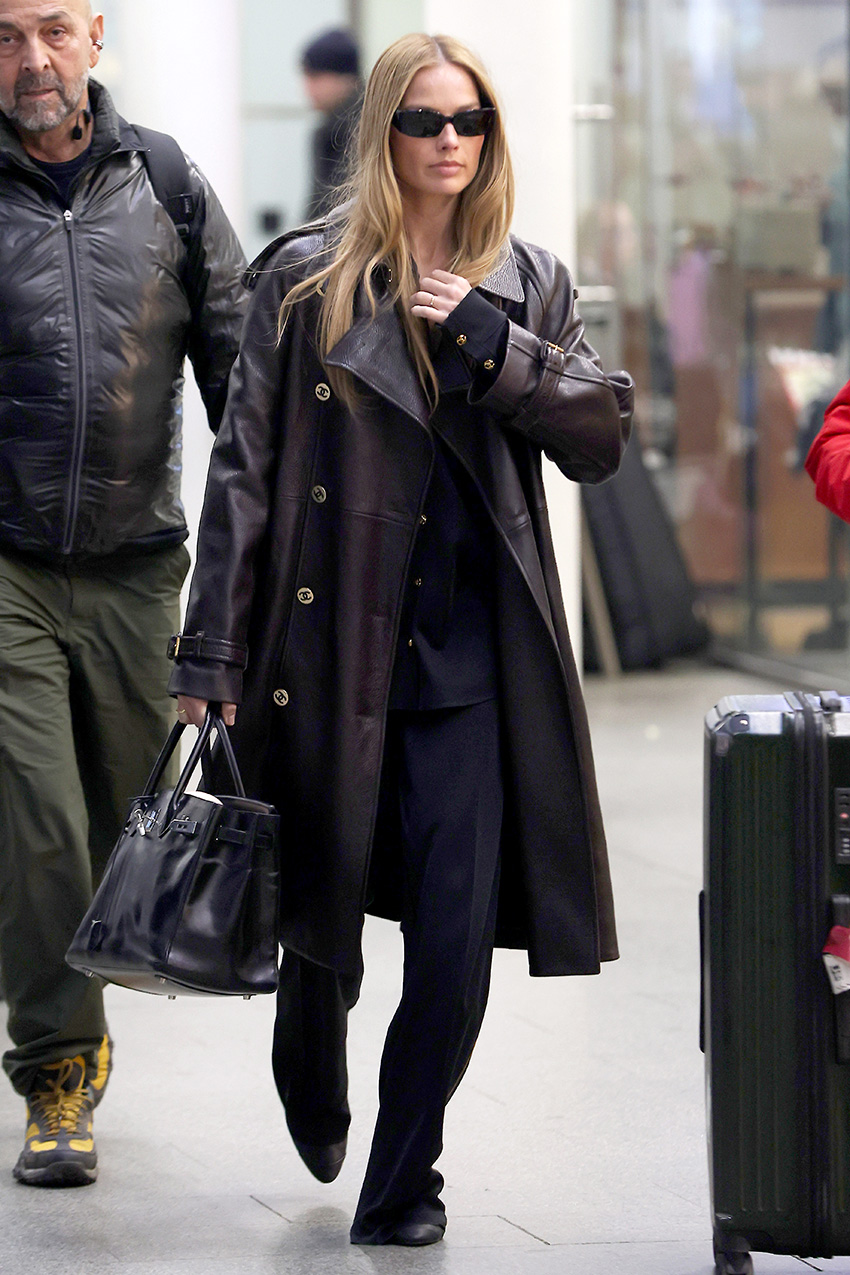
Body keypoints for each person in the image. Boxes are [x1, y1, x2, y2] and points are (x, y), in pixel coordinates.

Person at [170, 31, 633, 1247]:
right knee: (320, 917)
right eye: (424, 121)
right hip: (329, 655)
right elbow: (246, 481)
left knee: (452, 950)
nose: (448, 142)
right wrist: (209, 658)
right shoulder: (303, 281)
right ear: (382, 133)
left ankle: (404, 1176)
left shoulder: (526, 281)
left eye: (469, 120)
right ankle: (306, 1036)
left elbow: (598, 437)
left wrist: (489, 340)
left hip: (477, 667)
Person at [0, 0, 246, 1187]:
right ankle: (57, 1069)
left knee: (117, 824)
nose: (31, 59)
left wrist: (253, 588)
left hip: (142, 563)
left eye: (50, 29)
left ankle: (73, 1008)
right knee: (36, 819)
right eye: (2, 35)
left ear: (96, 34)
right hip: (5, 570)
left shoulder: (167, 183)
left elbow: (244, 381)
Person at [301, 27, 362, 219]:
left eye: (315, 77)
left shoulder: (347, 130)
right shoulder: (333, 125)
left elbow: (323, 209)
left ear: (344, 78)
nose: (308, 88)